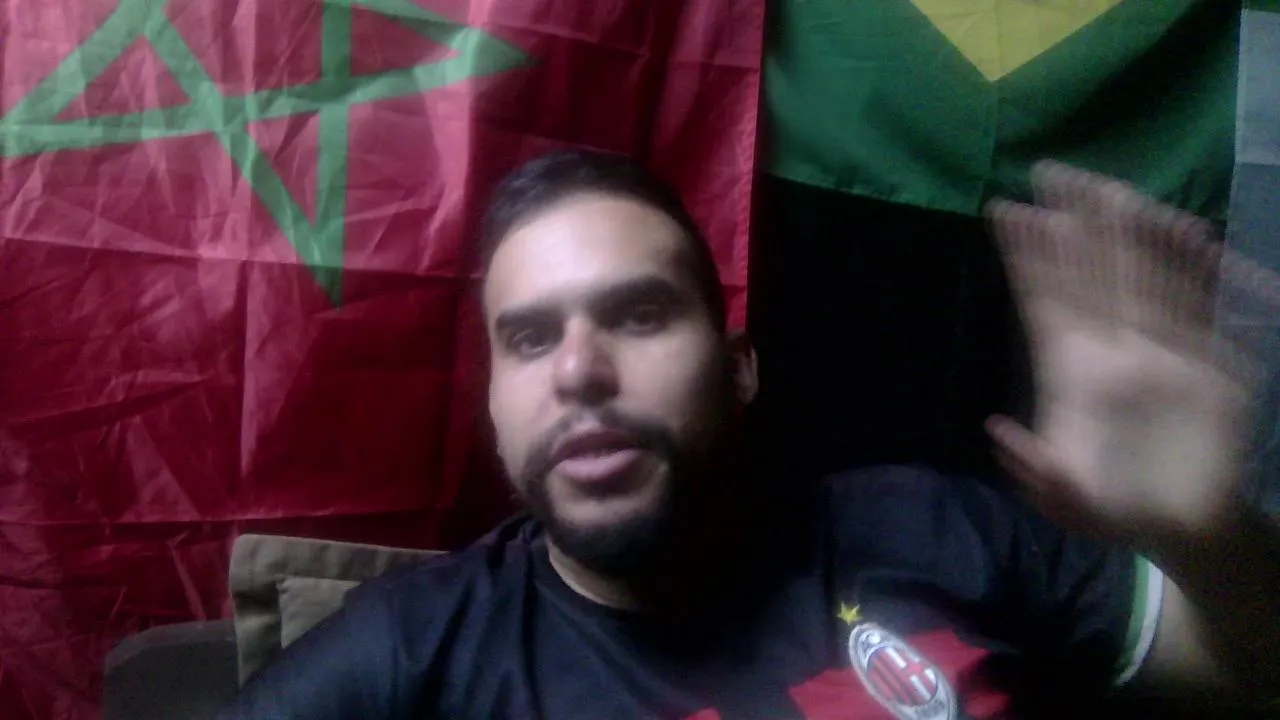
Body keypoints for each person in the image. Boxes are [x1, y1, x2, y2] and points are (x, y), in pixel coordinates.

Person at [217, 150, 1280, 719]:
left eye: (639, 315)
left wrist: (1203, 533)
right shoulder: (411, 651)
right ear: (494, 408)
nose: (579, 371)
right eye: (529, 339)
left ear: (738, 370)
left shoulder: (933, 525)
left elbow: (1250, 677)